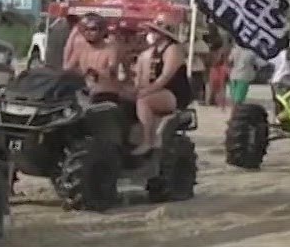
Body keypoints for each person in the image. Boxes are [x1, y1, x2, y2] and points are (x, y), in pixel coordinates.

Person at [131, 21, 194, 158]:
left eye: (154, 31)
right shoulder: (152, 52)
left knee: (144, 101)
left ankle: (148, 141)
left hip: (174, 92)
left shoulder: (173, 49)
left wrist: (147, 91)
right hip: (159, 91)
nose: (150, 34)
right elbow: (144, 77)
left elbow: (166, 77)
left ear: (163, 34)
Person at [62, 14, 126, 104]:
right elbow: (67, 68)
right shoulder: (81, 48)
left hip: (105, 93)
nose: (88, 32)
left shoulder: (111, 48)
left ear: (102, 31)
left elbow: (112, 70)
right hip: (84, 92)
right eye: (85, 29)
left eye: (93, 29)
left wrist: (97, 73)